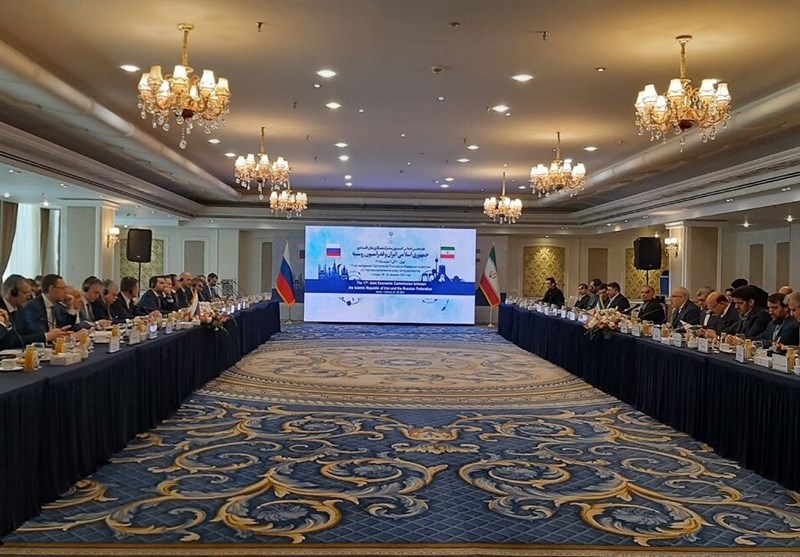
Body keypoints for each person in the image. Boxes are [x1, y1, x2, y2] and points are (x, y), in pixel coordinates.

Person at [18, 274, 73, 340]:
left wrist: (70, 307)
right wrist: (52, 335)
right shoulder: (32, 306)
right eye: (63, 288)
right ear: (51, 289)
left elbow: (67, 327)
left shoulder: (58, 307)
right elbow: (37, 332)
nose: (66, 291)